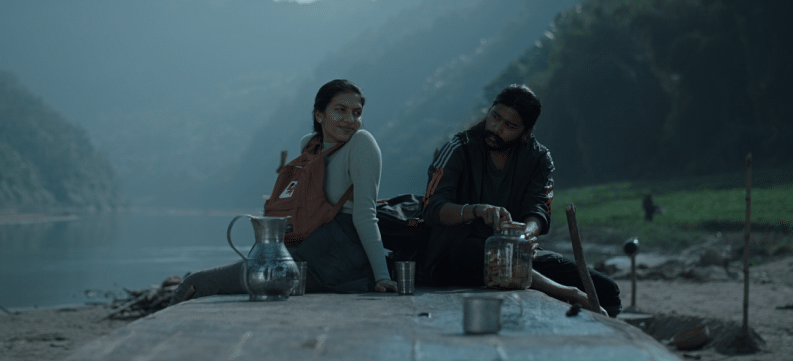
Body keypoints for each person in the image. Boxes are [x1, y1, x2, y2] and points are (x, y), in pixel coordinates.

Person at [170, 79, 397, 305]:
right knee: (196, 284)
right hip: (302, 250)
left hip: (335, 260)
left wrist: (382, 277)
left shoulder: (361, 143)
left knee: (197, 283)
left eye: (357, 113)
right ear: (320, 115)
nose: (350, 119)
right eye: (341, 110)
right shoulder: (310, 145)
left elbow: (365, 215)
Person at [420, 84, 621, 316]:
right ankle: (569, 293)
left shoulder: (538, 158)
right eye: (495, 117)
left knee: (606, 291)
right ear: (490, 110)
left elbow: (538, 209)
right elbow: (432, 207)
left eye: (509, 126)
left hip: (515, 253)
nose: (496, 128)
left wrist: (524, 237)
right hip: (454, 256)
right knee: (481, 252)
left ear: (525, 132)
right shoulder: (458, 149)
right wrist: (476, 210)